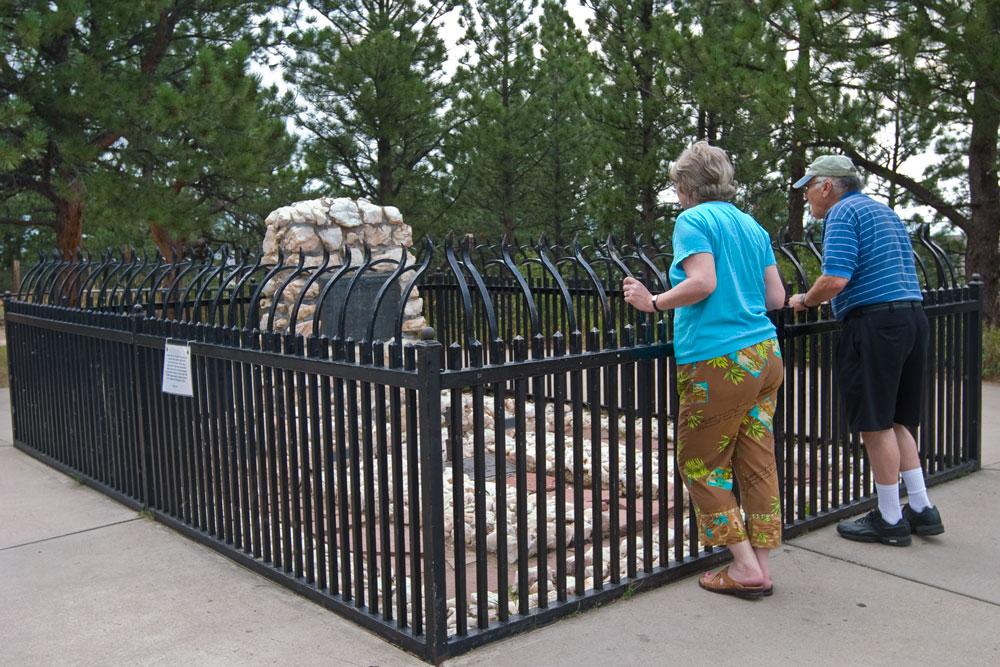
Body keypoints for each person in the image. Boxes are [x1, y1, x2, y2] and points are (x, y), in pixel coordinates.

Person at [623, 141, 786, 599]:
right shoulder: (751, 225)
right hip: (765, 355)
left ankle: (743, 567)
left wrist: (652, 301)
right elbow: (775, 299)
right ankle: (762, 565)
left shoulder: (693, 220)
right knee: (757, 460)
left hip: (719, 359)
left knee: (700, 462)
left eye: (677, 185)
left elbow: (703, 283)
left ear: (684, 185)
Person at [789, 154, 943, 546]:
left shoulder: (842, 214)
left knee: (873, 424)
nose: (807, 196)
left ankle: (890, 518)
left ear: (827, 186)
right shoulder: (882, 210)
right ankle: (922, 509)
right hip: (911, 317)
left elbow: (836, 277)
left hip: (875, 325)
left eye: (809, 187)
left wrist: (806, 299)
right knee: (897, 421)